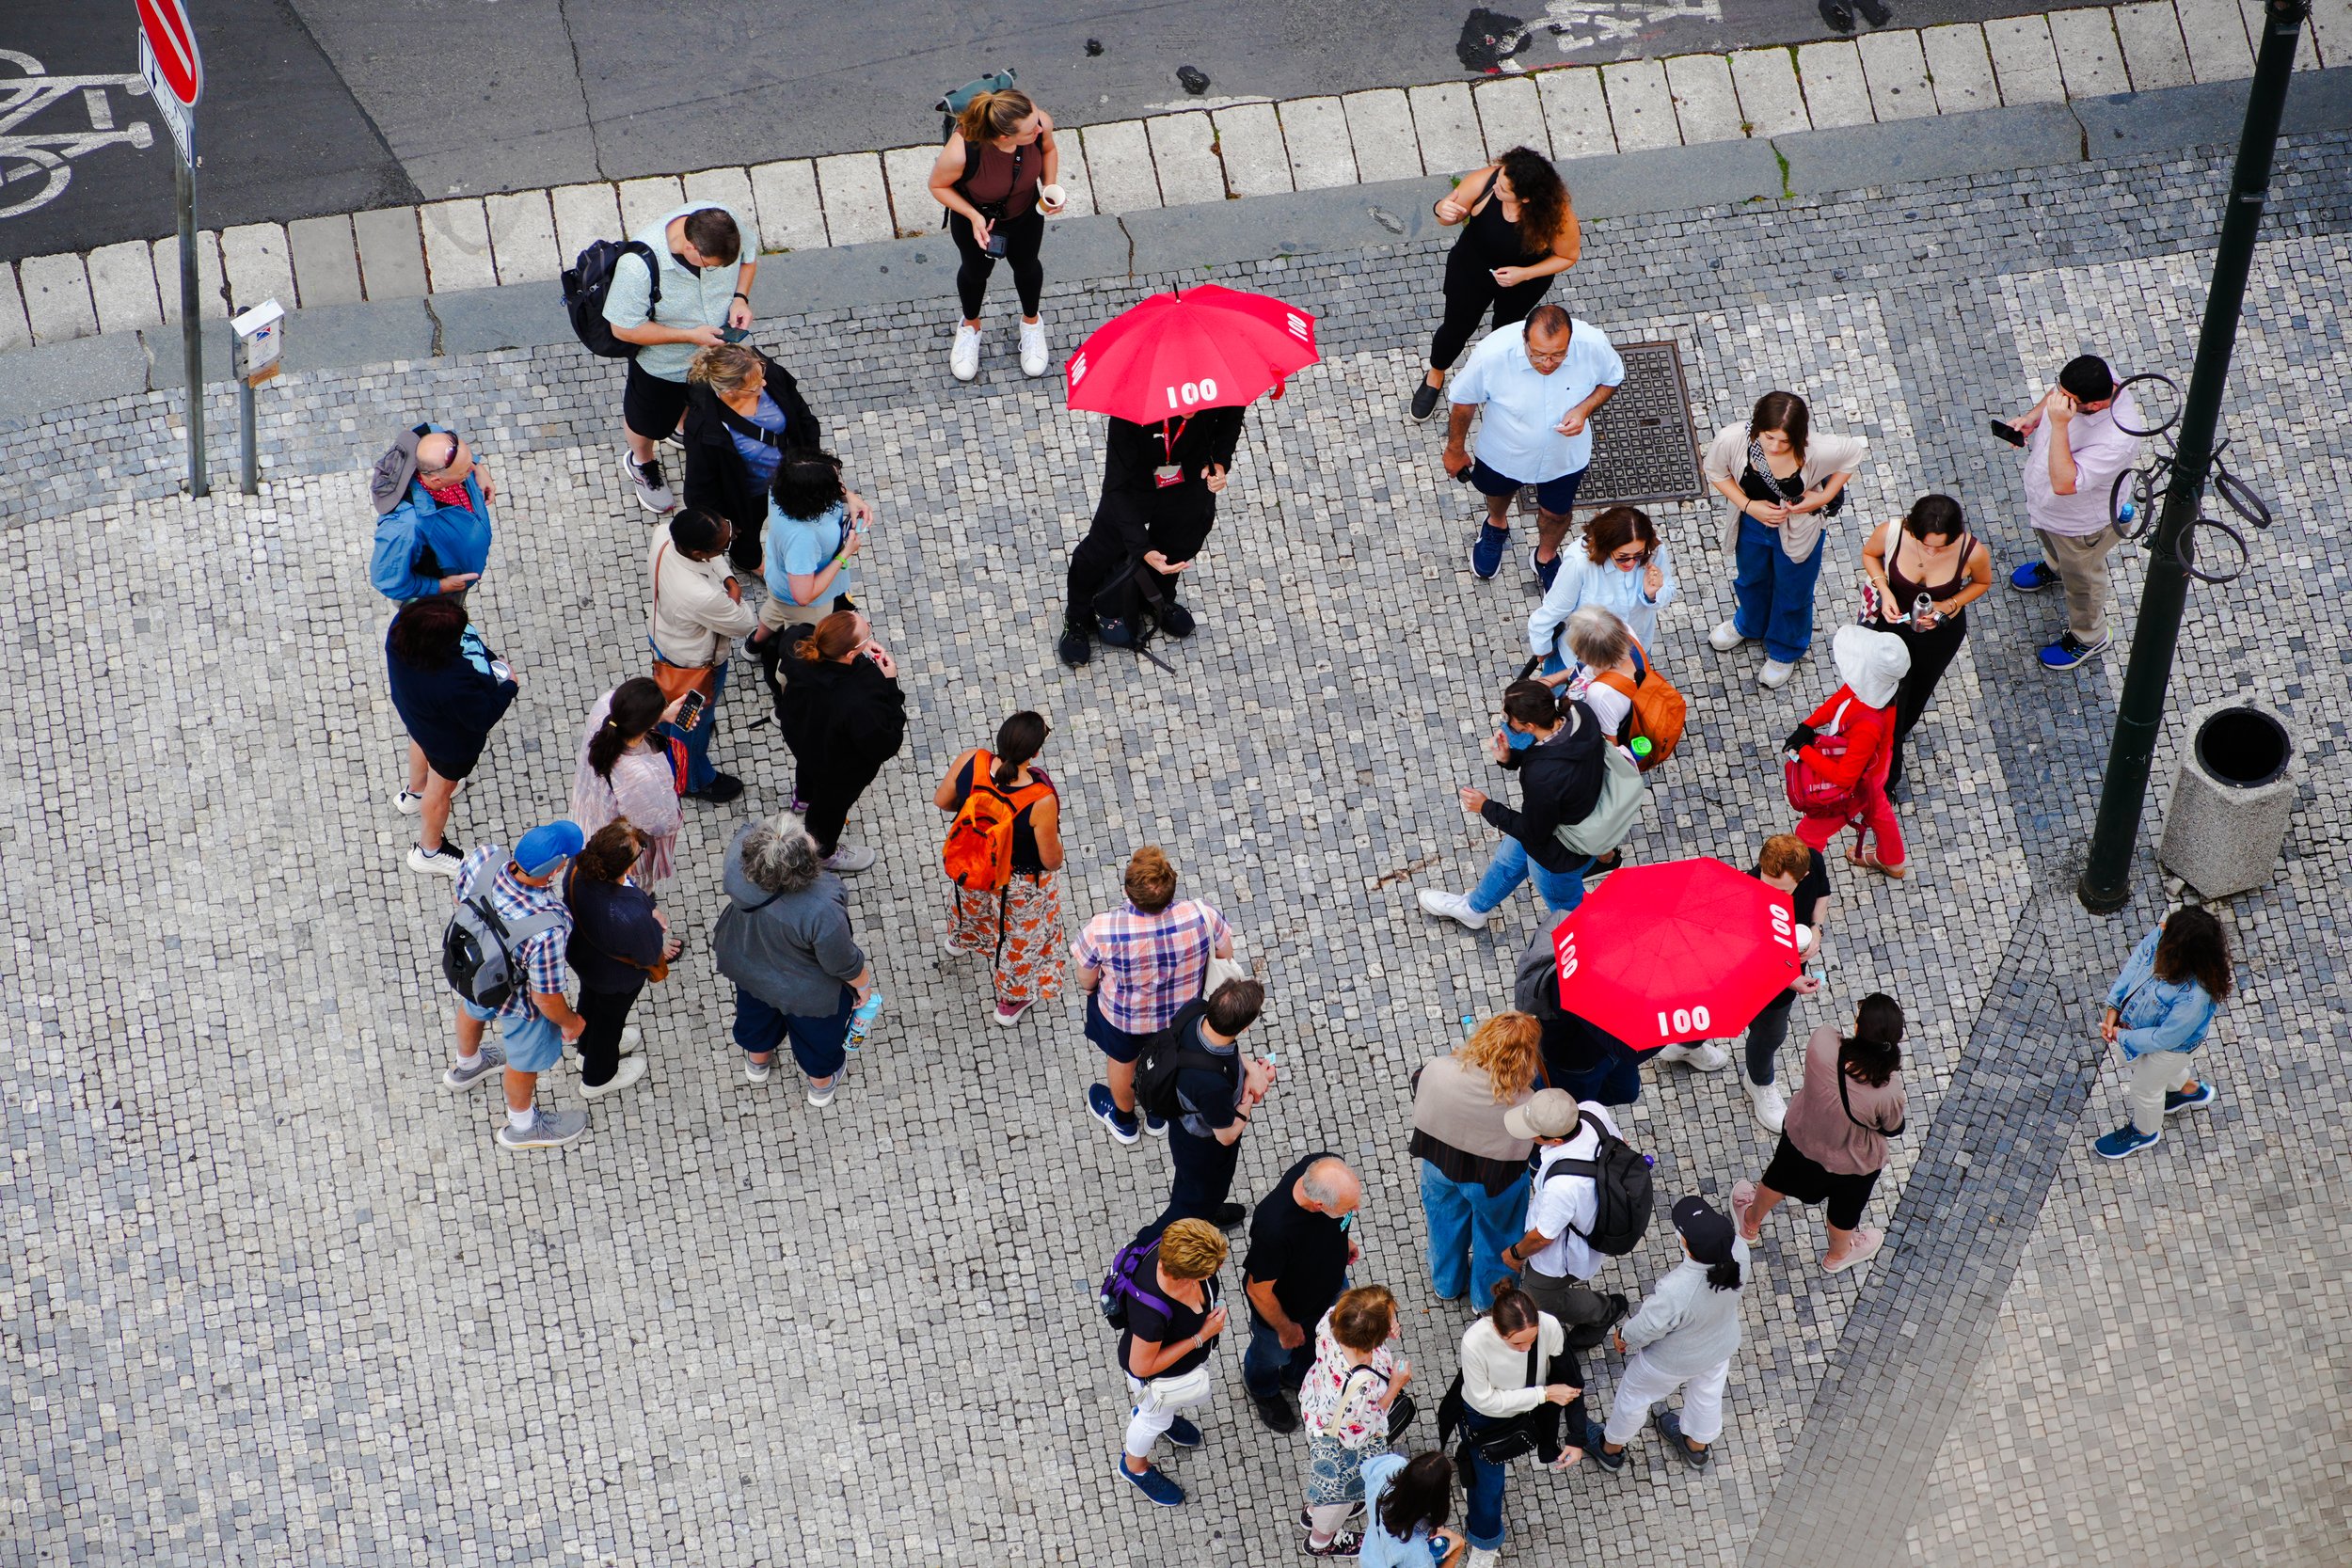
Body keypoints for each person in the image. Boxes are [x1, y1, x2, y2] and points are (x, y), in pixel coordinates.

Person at [1442, 303, 1624, 586]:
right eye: (1538, 355)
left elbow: (1612, 379)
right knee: (1497, 492)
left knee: (1557, 513)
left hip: (1564, 458)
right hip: (1504, 451)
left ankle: (1546, 557)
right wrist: (1455, 449)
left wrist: (1583, 410)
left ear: (1570, 341)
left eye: (1558, 355)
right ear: (1524, 339)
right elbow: (1464, 401)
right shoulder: (1492, 354)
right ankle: (1495, 525)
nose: (1548, 364)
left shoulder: (1593, 345)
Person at [1702, 391, 1870, 689]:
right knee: (1751, 577)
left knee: (1793, 590)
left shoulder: (1818, 449)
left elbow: (1852, 453)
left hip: (1800, 529)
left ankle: (1785, 648)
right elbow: (1716, 472)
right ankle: (1749, 623)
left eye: (1785, 440)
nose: (1776, 447)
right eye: (1769, 438)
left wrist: (1826, 496)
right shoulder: (1731, 439)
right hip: (1752, 524)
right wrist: (1749, 505)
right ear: (1757, 429)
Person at [1058, 404, 1248, 666]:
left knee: (1179, 544)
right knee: (1099, 552)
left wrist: (1220, 461)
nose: (1192, 410)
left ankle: (1157, 599)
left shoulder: (1212, 388)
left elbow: (1231, 416)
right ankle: (1077, 618)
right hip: (1136, 482)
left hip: (1190, 475)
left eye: (1197, 403)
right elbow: (1116, 489)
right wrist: (1142, 549)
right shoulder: (1128, 413)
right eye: (1184, 402)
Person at [601, 199, 758, 514]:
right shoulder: (638, 265)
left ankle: (680, 427)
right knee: (644, 420)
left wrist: (740, 298)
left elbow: (749, 260)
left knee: (699, 400)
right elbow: (623, 329)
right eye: (711, 266)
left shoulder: (725, 226)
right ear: (689, 247)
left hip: (714, 353)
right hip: (663, 366)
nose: (716, 272)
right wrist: (689, 335)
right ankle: (641, 461)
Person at [711, 811, 877, 1107]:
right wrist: (863, 988)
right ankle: (820, 1086)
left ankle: (757, 1063)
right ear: (803, 865)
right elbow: (840, 961)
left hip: (747, 962)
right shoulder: (821, 904)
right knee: (817, 1037)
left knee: (755, 1015)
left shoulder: (737, 861)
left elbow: (749, 827)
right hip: (804, 991)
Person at [440, 821, 590, 1149]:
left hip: (475, 971)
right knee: (523, 1061)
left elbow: (460, 895)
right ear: (555, 868)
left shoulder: (485, 856)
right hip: (516, 999)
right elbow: (545, 997)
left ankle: (468, 1066)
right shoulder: (548, 924)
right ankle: (522, 1127)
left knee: (472, 1008)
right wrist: (572, 1022)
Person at [1733, 993, 1907, 1273]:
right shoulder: (1888, 1090)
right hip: (1854, 1161)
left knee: (1777, 1180)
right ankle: (1838, 1255)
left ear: (1858, 1028)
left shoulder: (1824, 1042)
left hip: (1804, 1138)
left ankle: (1749, 1225)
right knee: (1845, 1210)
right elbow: (1893, 1127)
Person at [1409, 146, 1581, 424]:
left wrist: (1524, 274)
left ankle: (1492, 378)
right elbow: (1446, 214)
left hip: (1521, 283)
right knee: (1455, 328)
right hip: (1471, 271)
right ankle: (1435, 374)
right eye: (1500, 177)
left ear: (1525, 199)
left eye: (1505, 187)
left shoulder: (1556, 216)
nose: (1498, 184)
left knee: (1506, 332)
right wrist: (1442, 210)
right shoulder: (1487, 182)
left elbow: (1567, 256)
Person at [1073, 847, 1234, 1143]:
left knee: (1122, 1063)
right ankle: (1158, 1116)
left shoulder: (1103, 929)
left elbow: (1086, 975)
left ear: (1128, 890)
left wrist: (1090, 989)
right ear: (1172, 888)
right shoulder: (1203, 917)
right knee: (1169, 1061)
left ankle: (1124, 1122)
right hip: (1180, 1019)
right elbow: (1225, 956)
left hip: (1124, 1019)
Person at [1414, 678, 1602, 930]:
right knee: (1508, 859)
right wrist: (1510, 758)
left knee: (1570, 912)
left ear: (1530, 725)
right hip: (1571, 811)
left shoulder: (1542, 776)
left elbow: (1535, 832)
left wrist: (1486, 807)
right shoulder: (1580, 713)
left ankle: (1589, 942)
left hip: (1558, 854)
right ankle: (1473, 909)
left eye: (1509, 716)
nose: (1506, 719)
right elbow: (1554, 757)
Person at [1584, 1196, 1749, 1473]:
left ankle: (1609, 1449)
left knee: (1633, 1397)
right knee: (1707, 1395)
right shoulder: (1739, 1251)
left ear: (1686, 1246)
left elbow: (1648, 1326)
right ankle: (1696, 1447)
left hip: (1670, 1362)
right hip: (1720, 1345)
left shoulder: (1677, 1290)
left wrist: (1624, 1337)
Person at [2004, 355, 2143, 670]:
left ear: (2093, 405)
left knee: (2083, 581)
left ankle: (2089, 636)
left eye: (2067, 401)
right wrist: (2034, 418)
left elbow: (2065, 483)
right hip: (2048, 509)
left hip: (2079, 522)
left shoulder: (2118, 438)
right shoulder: (2098, 376)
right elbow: (2056, 396)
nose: (2058, 400)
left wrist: (2059, 424)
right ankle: (2055, 566)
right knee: (2056, 549)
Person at [678, 343, 860, 575]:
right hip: (748, 493)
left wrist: (824, 474)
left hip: (791, 475)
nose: (763, 384)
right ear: (730, 391)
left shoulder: (769, 375)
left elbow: (804, 421)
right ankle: (749, 562)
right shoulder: (705, 427)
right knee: (747, 532)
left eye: (761, 374)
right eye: (754, 385)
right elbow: (700, 483)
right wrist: (722, 522)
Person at [933, 711, 1067, 1024]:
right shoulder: (1039, 799)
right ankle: (1011, 1000)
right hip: (1016, 880)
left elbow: (943, 800)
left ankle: (960, 939)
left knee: (970, 904)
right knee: (1019, 936)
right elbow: (1050, 860)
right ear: (1034, 753)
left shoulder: (972, 760)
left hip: (974, 858)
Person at [927, 87, 1067, 381]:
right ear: (1005, 137)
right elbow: (938, 186)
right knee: (975, 273)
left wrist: (1050, 187)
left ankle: (1031, 324)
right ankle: (970, 326)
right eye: (1031, 129)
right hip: (976, 223)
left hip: (1025, 215)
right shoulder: (962, 150)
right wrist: (973, 216)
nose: (1040, 127)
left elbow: (1049, 149)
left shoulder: (1038, 125)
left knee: (1028, 267)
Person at [1860, 493, 1992, 794]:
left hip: (1938, 636)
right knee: (1890, 697)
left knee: (1917, 693)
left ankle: (1897, 731)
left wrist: (1948, 604)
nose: (1932, 552)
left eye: (1941, 545)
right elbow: (1870, 554)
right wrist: (1886, 591)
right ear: (1912, 528)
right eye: (1924, 543)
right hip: (1892, 627)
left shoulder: (1971, 552)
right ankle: (1885, 776)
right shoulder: (1891, 532)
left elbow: (1982, 583)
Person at [1450, 1282, 1585, 1568]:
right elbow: (1484, 1401)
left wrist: (1576, 1437)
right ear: (1497, 1330)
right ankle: (1485, 1541)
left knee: (1479, 1471)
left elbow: (1570, 1381)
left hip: (1527, 1409)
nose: (1526, 1348)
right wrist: (1544, 1394)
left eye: (1532, 1341)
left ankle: (1468, 1463)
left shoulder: (1549, 1327)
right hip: (1484, 1417)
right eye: (1517, 1344)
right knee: (1490, 1486)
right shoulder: (1475, 1342)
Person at [1411, 1013, 1540, 1306]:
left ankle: (1446, 1283)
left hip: (1440, 1164)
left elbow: (1419, 1085)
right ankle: (1487, 1299)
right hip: (1495, 1181)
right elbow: (1533, 1146)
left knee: (1443, 1221)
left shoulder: (1441, 1070)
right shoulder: (1527, 1103)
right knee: (1497, 1234)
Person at [384, 595, 517, 878]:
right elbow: (481, 716)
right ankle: (429, 850)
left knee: (420, 742)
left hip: (419, 717)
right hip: (450, 741)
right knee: (442, 787)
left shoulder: (401, 631)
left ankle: (415, 792)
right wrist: (509, 686)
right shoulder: (452, 682)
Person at [2092, 907, 2233, 1159]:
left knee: (2144, 1088)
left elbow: (2164, 1038)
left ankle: (2145, 1132)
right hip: (2138, 1029)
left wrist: (2121, 1035)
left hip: (2171, 1049)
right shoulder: (2166, 936)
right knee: (2143, 1067)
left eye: (2168, 929)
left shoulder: (2194, 997)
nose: (2162, 927)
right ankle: (2187, 1090)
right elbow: (2137, 961)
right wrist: (2114, 1006)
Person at [774, 610, 907, 873]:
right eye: (866, 634)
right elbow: (886, 743)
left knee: (807, 764)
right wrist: (890, 682)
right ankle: (823, 852)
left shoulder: (798, 647)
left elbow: (796, 630)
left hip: (802, 733)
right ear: (849, 654)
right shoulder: (862, 691)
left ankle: (802, 797)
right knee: (830, 810)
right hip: (838, 765)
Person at [1141, 980, 1275, 1237]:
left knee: (1190, 1185)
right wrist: (1251, 1090)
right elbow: (1226, 1136)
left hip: (1181, 1125)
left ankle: (1207, 1208)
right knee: (1194, 1200)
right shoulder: (1211, 1086)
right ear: (1245, 1027)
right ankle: (1149, 1242)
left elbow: (1225, 1051)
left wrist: (1251, 1069)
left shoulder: (1194, 1011)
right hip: (1202, 1146)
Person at [1497, 1088, 1630, 1344]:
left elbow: (1543, 1238)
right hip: (1592, 1209)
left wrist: (1515, 1254)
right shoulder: (1591, 1110)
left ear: (1555, 1141)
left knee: (1540, 1297)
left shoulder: (1563, 1187)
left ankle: (1604, 1312)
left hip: (1567, 1247)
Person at [1241, 1154, 1363, 1433]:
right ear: (1319, 1205)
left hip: (1327, 1289)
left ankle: (1298, 1378)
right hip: (1287, 1310)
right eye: (1349, 1206)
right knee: (1271, 1355)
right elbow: (1257, 1290)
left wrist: (1344, 1242)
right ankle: (1264, 1389)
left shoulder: (1325, 1168)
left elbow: (1333, 1224)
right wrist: (1285, 1328)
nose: (1357, 1207)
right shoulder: (1274, 1230)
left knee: (1313, 1344)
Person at [1113, 1217, 1230, 1507]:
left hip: (1181, 1369)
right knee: (1151, 1420)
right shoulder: (1151, 1314)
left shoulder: (1174, 1249)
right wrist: (1201, 1337)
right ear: (1185, 1276)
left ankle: (1162, 1418)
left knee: (1163, 1411)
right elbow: (1140, 1366)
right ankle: (1134, 1466)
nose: (1218, 1270)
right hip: (1157, 1379)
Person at [562, 819, 680, 1102]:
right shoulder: (627, 914)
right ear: (624, 867)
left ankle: (586, 1050)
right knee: (610, 1021)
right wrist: (653, 922)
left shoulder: (577, 866)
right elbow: (649, 954)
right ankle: (598, 1077)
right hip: (615, 977)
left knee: (589, 1002)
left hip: (586, 957)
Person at [648, 507, 757, 804]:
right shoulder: (702, 596)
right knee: (694, 723)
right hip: (694, 667)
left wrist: (728, 578)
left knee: (669, 704)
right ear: (700, 553)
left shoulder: (664, 534)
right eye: (724, 544)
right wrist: (733, 593)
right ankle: (694, 780)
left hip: (665, 641)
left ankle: (661, 737)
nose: (730, 538)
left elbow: (713, 559)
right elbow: (744, 622)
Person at [1786, 624, 1912, 879]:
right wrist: (1808, 725)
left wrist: (1805, 750)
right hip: (1874, 772)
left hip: (1857, 783)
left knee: (1808, 836)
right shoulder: (1881, 691)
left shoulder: (1867, 726)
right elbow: (1843, 696)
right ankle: (1893, 861)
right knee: (1878, 809)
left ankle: (1802, 884)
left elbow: (1844, 778)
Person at [1298, 1286, 1413, 1558]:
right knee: (1337, 1497)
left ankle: (1312, 1512)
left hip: (1317, 1406)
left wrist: (1385, 1331)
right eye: (1392, 1318)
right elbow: (1366, 1425)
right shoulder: (1361, 1389)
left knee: (1329, 1495)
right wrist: (1395, 1386)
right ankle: (1322, 1539)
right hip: (1342, 1440)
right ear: (1374, 1338)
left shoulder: (1332, 1320)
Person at [1728, 833, 1831, 1132]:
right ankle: (1689, 1043)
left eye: (1781, 891)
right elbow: (1746, 952)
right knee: (1726, 1013)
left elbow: (1822, 892)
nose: (1769, 896)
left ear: (1804, 875)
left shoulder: (1814, 862)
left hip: (1787, 977)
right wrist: (1791, 980)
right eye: (1766, 884)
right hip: (1747, 973)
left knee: (1770, 1033)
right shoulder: (1746, 891)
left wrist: (1816, 928)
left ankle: (1758, 1081)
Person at [568, 678, 686, 884]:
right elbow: (662, 825)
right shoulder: (643, 775)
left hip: (588, 812)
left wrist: (660, 716)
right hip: (619, 844)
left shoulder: (606, 704)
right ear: (648, 724)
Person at [1526, 506, 1677, 666]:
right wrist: (1542, 647)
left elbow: (1668, 589)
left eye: (1638, 556)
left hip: (1633, 650)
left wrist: (1652, 595)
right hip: (1584, 657)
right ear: (1607, 546)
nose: (1631, 563)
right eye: (1622, 557)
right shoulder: (1580, 563)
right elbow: (1554, 608)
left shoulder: (1655, 550)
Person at [749, 450, 866, 653]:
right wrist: (845, 554)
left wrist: (851, 497)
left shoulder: (781, 488)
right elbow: (803, 596)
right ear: (816, 496)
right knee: (803, 643)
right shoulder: (802, 538)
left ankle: (754, 644)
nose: (840, 486)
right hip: (806, 605)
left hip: (780, 582)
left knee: (776, 610)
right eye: (833, 484)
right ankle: (782, 675)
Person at [369, 423, 495, 603]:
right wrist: (442, 586)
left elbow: (435, 430)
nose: (472, 470)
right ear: (437, 479)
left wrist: (478, 466)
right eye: (466, 469)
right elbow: (386, 581)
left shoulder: (432, 445)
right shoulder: (405, 527)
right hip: (441, 593)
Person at [1355, 1450, 1469, 1568]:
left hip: (1370, 1555)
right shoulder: (1416, 1551)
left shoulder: (1392, 1464)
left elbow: (1365, 1469)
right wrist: (1459, 1546)